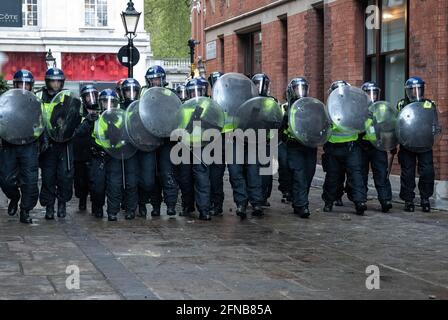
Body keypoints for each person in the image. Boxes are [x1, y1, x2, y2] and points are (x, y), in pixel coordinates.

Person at [38, 67, 79, 220]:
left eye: (58, 81)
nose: (55, 85)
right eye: (52, 81)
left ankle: (62, 203)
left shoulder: (69, 98)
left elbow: (77, 120)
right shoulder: (38, 97)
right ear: (47, 82)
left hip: (65, 144)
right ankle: (49, 207)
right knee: (48, 177)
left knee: (65, 176)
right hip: (47, 144)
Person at [322, 80, 367, 216]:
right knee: (334, 176)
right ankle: (329, 201)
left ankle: (359, 202)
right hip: (336, 147)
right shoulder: (328, 108)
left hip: (349, 146)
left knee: (354, 175)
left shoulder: (350, 107)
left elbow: (362, 123)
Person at [0, 70, 39, 224]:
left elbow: (42, 123)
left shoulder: (36, 102)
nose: (23, 87)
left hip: (29, 144)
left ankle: (25, 210)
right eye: (20, 84)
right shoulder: (6, 101)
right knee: (5, 179)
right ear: (14, 84)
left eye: (27, 84)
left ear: (31, 86)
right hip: (9, 143)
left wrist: (44, 139)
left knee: (30, 180)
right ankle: (14, 197)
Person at [143, 66, 179, 217]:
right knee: (151, 175)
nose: (155, 82)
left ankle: (171, 205)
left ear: (163, 79)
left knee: (167, 172)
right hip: (150, 140)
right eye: (152, 79)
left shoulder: (171, 95)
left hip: (167, 140)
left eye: (157, 79)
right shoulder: (144, 97)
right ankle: (155, 205)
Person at [397, 77, 436, 212]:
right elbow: (398, 124)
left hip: (424, 144)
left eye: (418, 89)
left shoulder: (429, 104)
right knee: (407, 173)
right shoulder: (401, 104)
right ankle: (408, 200)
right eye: (412, 89)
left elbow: (433, 122)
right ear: (407, 91)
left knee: (427, 172)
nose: (415, 92)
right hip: (407, 144)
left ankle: (425, 198)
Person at [282, 77, 316, 218]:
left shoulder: (313, 105)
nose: (300, 91)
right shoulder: (286, 108)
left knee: (308, 174)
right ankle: (303, 206)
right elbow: (281, 128)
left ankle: (298, 202)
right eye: (297, 89)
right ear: (292, 91)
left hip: (309, 146)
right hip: (294, 146)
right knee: (299, 175)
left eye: (303, 88)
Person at [360, 81, 393, 213]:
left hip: (378, 145)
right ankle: (361, 199)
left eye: (374, 93)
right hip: (362, 145)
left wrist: (391, 142)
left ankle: (385, 200)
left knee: (381, 173)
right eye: (368, 93)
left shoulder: (382, 108)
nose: (372, 96)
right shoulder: (359, 109)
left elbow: (390, 125)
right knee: (361, 174)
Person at [75, 84, 105, 218]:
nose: (90, 99)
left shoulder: (102, 110)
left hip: (95, 154)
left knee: (96, 182)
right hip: (81, 154)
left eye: (93, 95)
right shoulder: (78, 113)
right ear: (83, 98)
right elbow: (76, 133)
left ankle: (96, 206)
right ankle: (82, 199)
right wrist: (87, 121)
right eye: (87, 96)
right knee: (81, 182)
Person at [251, 73, 275, 207]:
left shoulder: (272, 102)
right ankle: (255, 197)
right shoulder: (248, 101)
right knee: (252, 171)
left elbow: (276, 120)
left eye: (263, 84)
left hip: (266, 142)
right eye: (257, 84)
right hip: (251, 141)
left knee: (266, 173)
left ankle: (264, 196)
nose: (260, 87)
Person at [207, 71, 226, 216]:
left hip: (222, 142)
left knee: (216, 176)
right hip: (206, 143)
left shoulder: (229, 100)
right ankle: (207, 203)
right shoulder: (206, 101)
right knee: (205, 177)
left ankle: (217, 204)